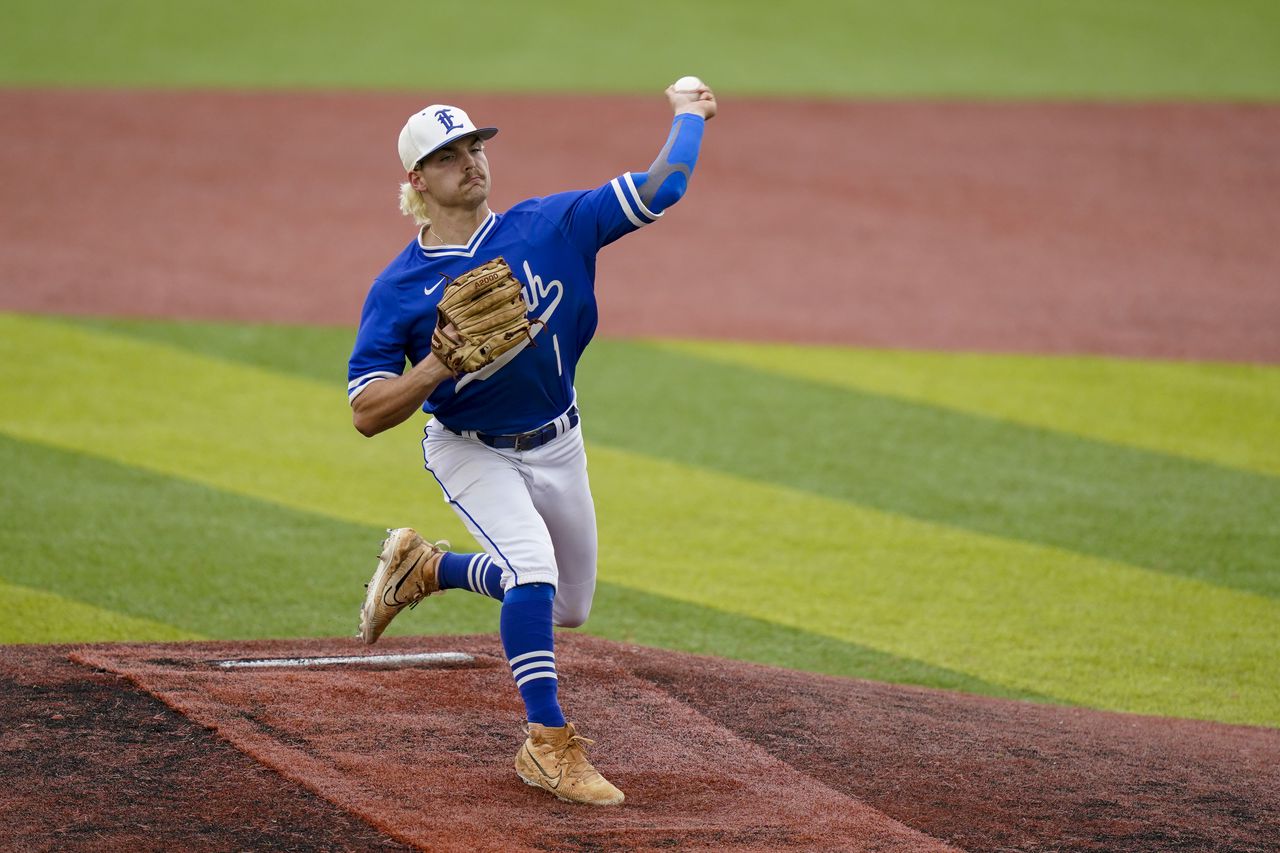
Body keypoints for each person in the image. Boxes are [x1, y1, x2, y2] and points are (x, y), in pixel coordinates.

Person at [346, 82, 716, 806]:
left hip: (560, 442)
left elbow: (662, 188)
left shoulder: (552, 224)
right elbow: (365, 410)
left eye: (475, 147)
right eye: (448, 156)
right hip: (471, 449)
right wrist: (434, 366)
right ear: (417, 181)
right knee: (533, 569)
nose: (470, 162)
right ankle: (547, 744)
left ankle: (430, 567)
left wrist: (689, 113)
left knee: (569, 605)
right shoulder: (398, 289)